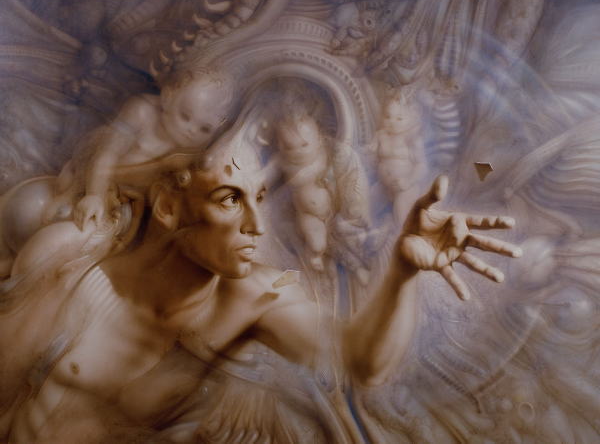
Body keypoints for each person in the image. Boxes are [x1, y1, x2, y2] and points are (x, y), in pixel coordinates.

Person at [0, 116, 521, 442]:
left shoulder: (254, 299)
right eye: (230, 198)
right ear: (168, 206)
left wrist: (402, 273)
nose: (256, 225)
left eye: (260, 199)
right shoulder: (77, 262)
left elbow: (364, 363)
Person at [0, 68, 235, 279]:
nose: (190, 130)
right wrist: (94, 194)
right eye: (185, 115)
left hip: (123, 202)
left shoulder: (192, 154)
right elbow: (106, 154)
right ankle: (11, 256)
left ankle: (29, 270)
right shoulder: (142, 112)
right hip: (94, 177)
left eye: (205, 128)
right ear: (168, 96)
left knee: (98, 237)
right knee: (61, 204)